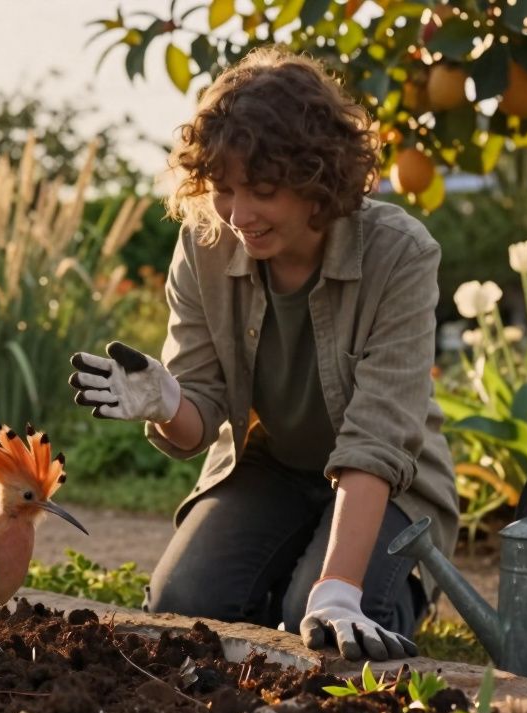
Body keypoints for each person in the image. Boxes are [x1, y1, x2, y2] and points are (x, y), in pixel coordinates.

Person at [68, 47, 460, 661]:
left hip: (382, 483)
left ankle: (384, 588)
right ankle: (295, 571)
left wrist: (336, 590)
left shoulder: (400, 255)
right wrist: (167, 398)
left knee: (323, 623)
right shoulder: (204, 243)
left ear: (318, 181)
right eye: (224, 189)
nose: (239, 216)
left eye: (264, 190)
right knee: (184, 603)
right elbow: (198, 412)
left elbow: (379, 441)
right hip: (269, 465)